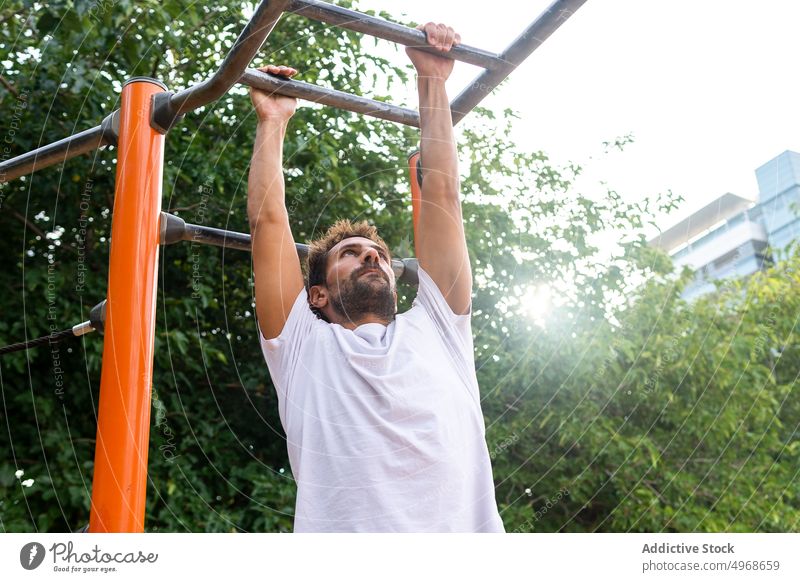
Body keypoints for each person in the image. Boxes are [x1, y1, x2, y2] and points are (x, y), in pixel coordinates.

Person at [247, 22, 504, 533]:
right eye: (350, 254)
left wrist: (432, 79)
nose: (371, 258)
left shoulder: (439, 327)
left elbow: (443, 198)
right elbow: (267, 222)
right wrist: (273, 120)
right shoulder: (300, 345)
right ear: (315, 294)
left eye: (379, 254)